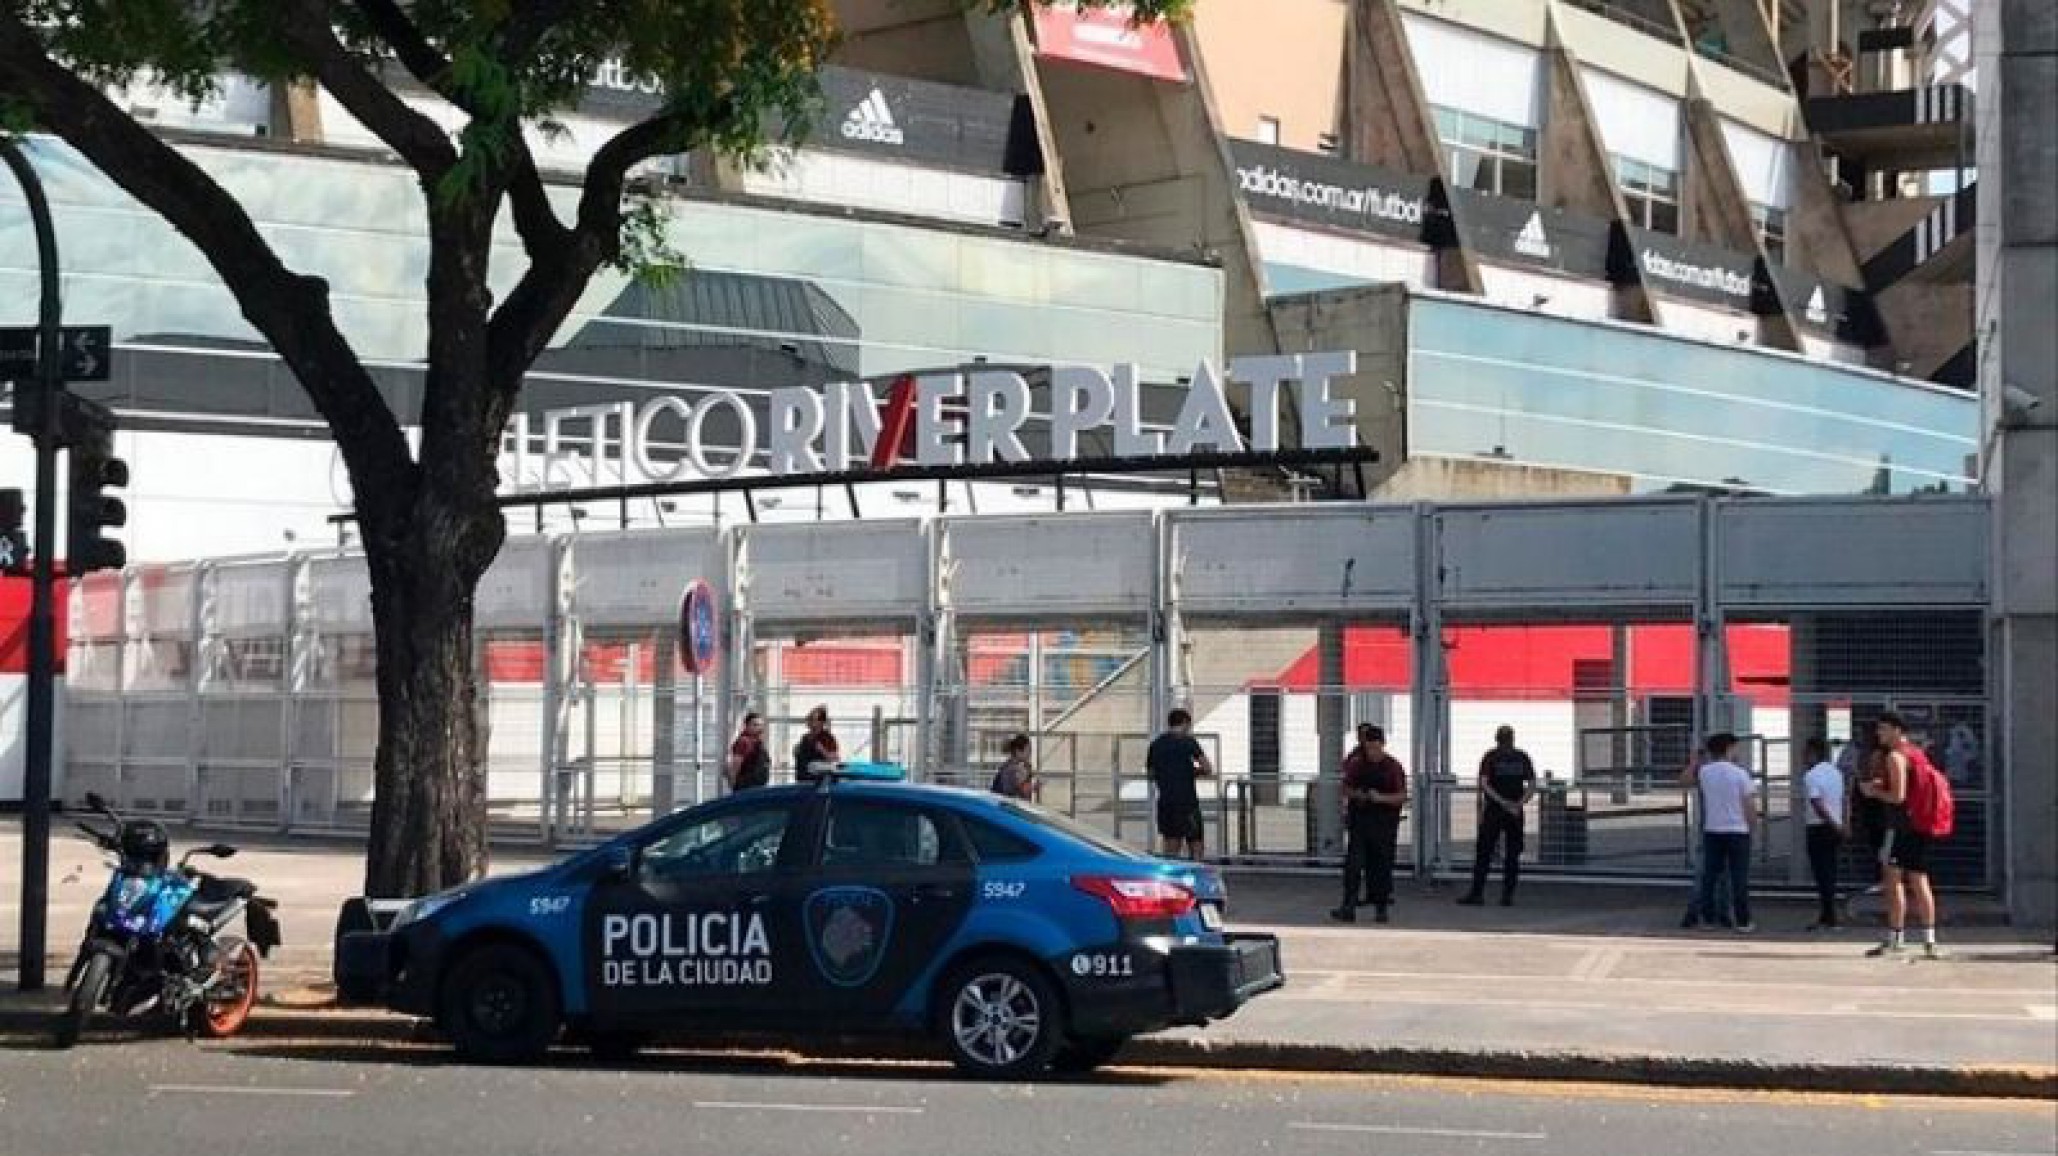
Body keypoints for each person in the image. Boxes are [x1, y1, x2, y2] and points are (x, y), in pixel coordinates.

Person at [1860, 711, 1944, 959]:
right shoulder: (1917, 754)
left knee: (1893, 880)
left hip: (1900, 827)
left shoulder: (1895, 756)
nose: (1879, 734)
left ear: (1897, 730)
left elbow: (1898, 796)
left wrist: (1873, 792)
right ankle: (1929, 939)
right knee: (1919, 879)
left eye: (1883, 729)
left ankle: (1896, 936)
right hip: (1920, 825)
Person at [1331, 723, 1408, 925]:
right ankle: (1348, 906)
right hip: (1360, 821)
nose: (1372, 752)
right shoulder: (1358, 764)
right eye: (1368, 748)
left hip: (1384, 824)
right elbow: (1345, 788)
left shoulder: (1392, 767)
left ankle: (1381, 908)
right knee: (1353, 866)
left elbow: (1401, 796)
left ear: (1382, 744)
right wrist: (1359, 795)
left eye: (1375, 747)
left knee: (1381, 866)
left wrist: (1380, 798)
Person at [1680, 733, 1756, 933]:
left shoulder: (1705, 772)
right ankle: (1743, 920)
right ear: (1729, 749)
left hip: (1713, 830)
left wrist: (1694, 762)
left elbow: (1684, 780)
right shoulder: (1740, 774)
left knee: (1710, 877)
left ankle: (1708, 919)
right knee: (1738, 878)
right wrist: (1752, 827)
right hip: (1738, 830)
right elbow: (1749, 805)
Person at [1460, 725, 1535, 907]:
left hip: (1495, 810)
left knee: (1484, 852)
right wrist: (1518, 804)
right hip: (1515, 811)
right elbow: (1532, 784)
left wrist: (1502, 802)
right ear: (1513, 738)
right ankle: (1507, 896)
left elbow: (1484, 784)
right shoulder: (1522, 757)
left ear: (1497, 739)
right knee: (1512, 854)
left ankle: (1477, 893)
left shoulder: (1491, 757)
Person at [1145, 708, 1213, 860]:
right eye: (1188, 725)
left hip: (1166, 803)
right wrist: (1191, 772)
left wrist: (1167, 775)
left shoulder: (1156, 744)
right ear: (1185, 723)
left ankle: (1172, 873)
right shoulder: (1188, 742)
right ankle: (1195, 872)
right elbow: (1207, 768)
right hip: (1187, 803)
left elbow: (1150, 775)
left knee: (1171, 847)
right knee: (1196, 845)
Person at [1800, 736, 1847, 929]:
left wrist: (1832, 823)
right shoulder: (1836, 772)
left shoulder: (1811, 775)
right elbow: (1844, 799)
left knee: (1821, 872)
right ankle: (1827, 914)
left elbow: (1817, 803)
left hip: (1819, 826)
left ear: (1813, 753)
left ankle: (1829, 914)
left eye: (1805, 753)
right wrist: (1843, 824)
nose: (1803, 757)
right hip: (1835, 825)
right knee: (1830, 870)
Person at [793, 705, 840, 783]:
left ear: (821, 722)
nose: (810, 722)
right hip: (802, 779)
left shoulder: (827, 738)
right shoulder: (805, 737)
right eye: (809, 718)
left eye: (813, 719)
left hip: (818, 782)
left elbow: (835, 758)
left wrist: (822, 750)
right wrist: (797, 751)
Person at [726, 711, 771, 792]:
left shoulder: (757, 743)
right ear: (746, 726)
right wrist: (733, 783)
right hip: (746, 788)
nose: (759, 728)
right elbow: (736, 765)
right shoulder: (744, 742)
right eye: (755, 725)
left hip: (756, 787)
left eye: (761, 725)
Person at [989, 734, 1036, 801]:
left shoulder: (1024, 766)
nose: (1030, 753)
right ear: (1018, 751)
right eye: (1028, 750)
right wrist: (1024, 783)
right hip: (1004, 804)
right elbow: (1009, 794)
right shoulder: (1009, 769)